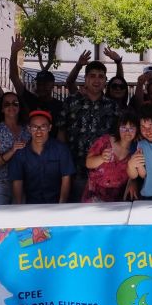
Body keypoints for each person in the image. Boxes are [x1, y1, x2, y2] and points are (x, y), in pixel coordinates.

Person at [57, 59, 119, 202]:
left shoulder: (113, 107)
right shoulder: (70, 102)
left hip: (104, 172)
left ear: (105, 81)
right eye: (92, 76)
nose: (97, 80)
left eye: (101, 76)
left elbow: (117, 137)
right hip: (75, 170)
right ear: (85, 79)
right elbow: (61, 134)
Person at [10, 111, 75, 204]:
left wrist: (61, 205)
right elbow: (17, 180)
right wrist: (19, 206)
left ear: (50, 128)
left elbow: (66, 177)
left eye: (43, 126)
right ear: (29, 129)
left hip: (56, 203)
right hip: (31, 204)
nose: (39, 131)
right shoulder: (21, 152)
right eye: (34, 127)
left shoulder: (61, 149)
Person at [0, 93, 30, 206]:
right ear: (2, 109)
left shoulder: (27, 130)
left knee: (18, 223)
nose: (11, 106)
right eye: (7, 104)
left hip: (21, 184)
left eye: (15, 103)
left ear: (20, 107)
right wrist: (12, 151)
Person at [83, 111, 139, 202]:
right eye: (124, 128)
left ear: (137, 130)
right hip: (93, 197)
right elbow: (88, 163)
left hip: (117, 201)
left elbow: (135, 175)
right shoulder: (105, 141)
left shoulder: (137, 150)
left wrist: (133, 182)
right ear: (118, 128)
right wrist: (101, 158)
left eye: (132, 128)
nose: (127, 132)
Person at [7, 36, 63, 120]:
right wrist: (14, 52)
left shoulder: (60, 106)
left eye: (45, 84)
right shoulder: (30, 100)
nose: (41, 87)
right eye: (39, 83)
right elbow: (14, 77)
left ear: (52, 84)